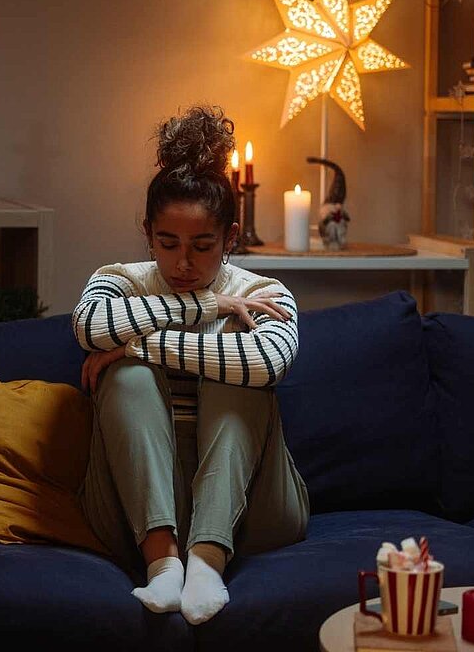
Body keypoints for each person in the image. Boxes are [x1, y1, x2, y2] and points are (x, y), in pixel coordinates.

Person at [72, 105, 309, 625]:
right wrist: (202, 307)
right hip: (128, 507)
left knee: (235, 371)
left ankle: (206, 560)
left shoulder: (263, 294)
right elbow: (89, 328)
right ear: (147, 233)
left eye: (202, 247)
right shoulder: (121, 280)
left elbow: (269, 363)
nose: (182, 264)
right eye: (167, 243)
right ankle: (163, 564)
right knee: (126, 377)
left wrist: (138, 346)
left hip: (255, 508)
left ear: (230, 237)